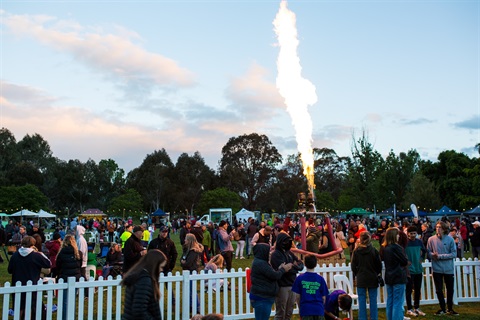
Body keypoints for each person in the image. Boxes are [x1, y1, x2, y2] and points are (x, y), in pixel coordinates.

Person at [8, 236, 51, 319]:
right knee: (32, 306)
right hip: (33, 284)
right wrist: (40, 253)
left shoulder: (15, 256)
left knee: (19, 307)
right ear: (32, 245)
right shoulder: (36, 256)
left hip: (18, 284)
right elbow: (48, 263)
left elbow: (10, 270)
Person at [249, 243, 293, 320]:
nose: (269, 253)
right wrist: (283, 269)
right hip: (262, 298)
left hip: (263, 297)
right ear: (263, 251)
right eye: (268, 251)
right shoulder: (261, 263)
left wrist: (279, 269)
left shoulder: (261, 262)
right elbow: (275, 276)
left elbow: (270, 274)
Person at [121, 249, 167, 320]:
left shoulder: (138, 276)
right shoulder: (144, 281)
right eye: (161, 267)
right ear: (154, 265)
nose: (161, 270)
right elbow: (139, 311)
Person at [427, 221, 458, 315]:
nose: (437, 229)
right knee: (438, 289)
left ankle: (450, 308)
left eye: (440, 227)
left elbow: (454, 254)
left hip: (448, 269)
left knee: (450, 289)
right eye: (436, 227)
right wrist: (433, 255)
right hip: (437, 269)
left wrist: (440, 256)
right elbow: (428, 252)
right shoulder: (431, 239)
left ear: (444, 229)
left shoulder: (450, 239)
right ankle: (442, 308)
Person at [270, 232, 304, 320]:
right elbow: (283, 271)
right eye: (286, 241)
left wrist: (293, 266)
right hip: (282, 286)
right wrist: (293, 267)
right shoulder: (276, 255)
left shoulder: (289, 253)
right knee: (281, 312)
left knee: (289, 312)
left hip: (292, 285)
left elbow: (300, 264)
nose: (288, 243)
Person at [351, 231, 382, 320]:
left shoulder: (356, 251)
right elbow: (378, 265)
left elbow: (353, 265)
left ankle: (362, 318)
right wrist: (376, 272)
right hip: (372, 277)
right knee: (373, 300)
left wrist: (357, 273)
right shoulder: (374, 250)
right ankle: (374, 317)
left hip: (361, 277)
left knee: (361, 300)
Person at [381, 227, 409, 320]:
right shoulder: (397, 247)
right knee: (398, 302)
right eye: (397, 234)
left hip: (389, 276)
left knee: (390, 301)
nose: (398, 236)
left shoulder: (385, 247)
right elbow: (404, 261)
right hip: (398, 276)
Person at [291, 254, 329, 320]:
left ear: (305, 264)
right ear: (316, 264)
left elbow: (297, 296)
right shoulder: (320, 279)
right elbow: (323, 297)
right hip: (318, 310)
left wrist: (300, 308)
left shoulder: (300, 278)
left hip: (306, 309)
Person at [56, 234, 83, 320]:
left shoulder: (61, 253)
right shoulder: (78, 254)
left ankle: (65, 317)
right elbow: (80, 265)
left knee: (64, 301)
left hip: (64, 277)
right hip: (75, 277)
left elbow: (58, 266)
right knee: (72, 299)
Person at [405, 226, 427, 317]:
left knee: (418, 289)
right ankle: (409, 308)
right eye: (411, 233)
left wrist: (421, 258)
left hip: (418, 269)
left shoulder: (419, 242)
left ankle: (416, 307)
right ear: (408, 234)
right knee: (409, 290)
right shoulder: (405, 243)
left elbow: (424, 251)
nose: (413, 235)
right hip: (410, 270)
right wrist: (406, 261)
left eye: (414, 233)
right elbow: (401, 253)